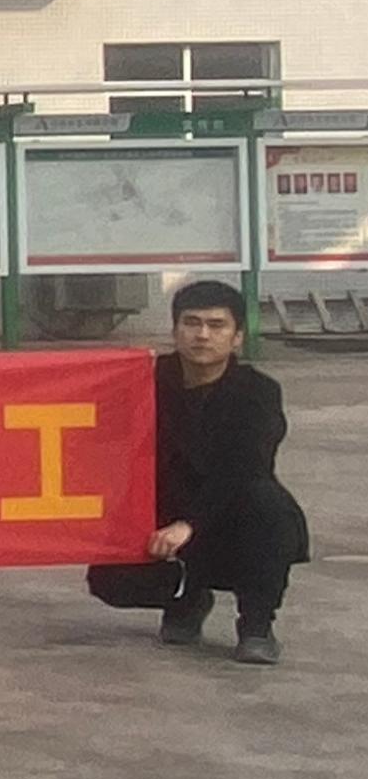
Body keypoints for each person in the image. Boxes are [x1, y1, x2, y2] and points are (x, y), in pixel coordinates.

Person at [87, 280, 309, 665]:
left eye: (216, 325)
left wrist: (189, 524)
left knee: (268, 504)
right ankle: (186, 599)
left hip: (235, 513)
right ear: (175, 331)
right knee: (107, 579)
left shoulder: (257, 391)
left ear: (237, 337)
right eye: (191, 323)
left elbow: (244, 467)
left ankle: (257, 625)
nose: (202, 335)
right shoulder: (144, 380)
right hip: (164, 506)